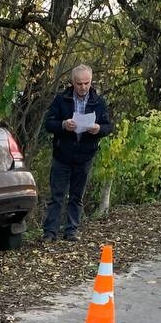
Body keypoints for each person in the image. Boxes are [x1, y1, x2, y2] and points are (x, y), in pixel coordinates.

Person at [42, 64, 113, 241]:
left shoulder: (98, 102)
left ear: (91, 81)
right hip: (62, 154)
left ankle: (71, 230)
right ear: (72, 82)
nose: (83, 87)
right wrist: (63, 125)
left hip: (85, 155)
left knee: (76, 196)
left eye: (86, 83)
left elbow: (108, 126)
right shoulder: (61, 99)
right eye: (79, 83)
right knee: (56, 195)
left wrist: (98, 129)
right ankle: (50, 232)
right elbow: (48, 124)